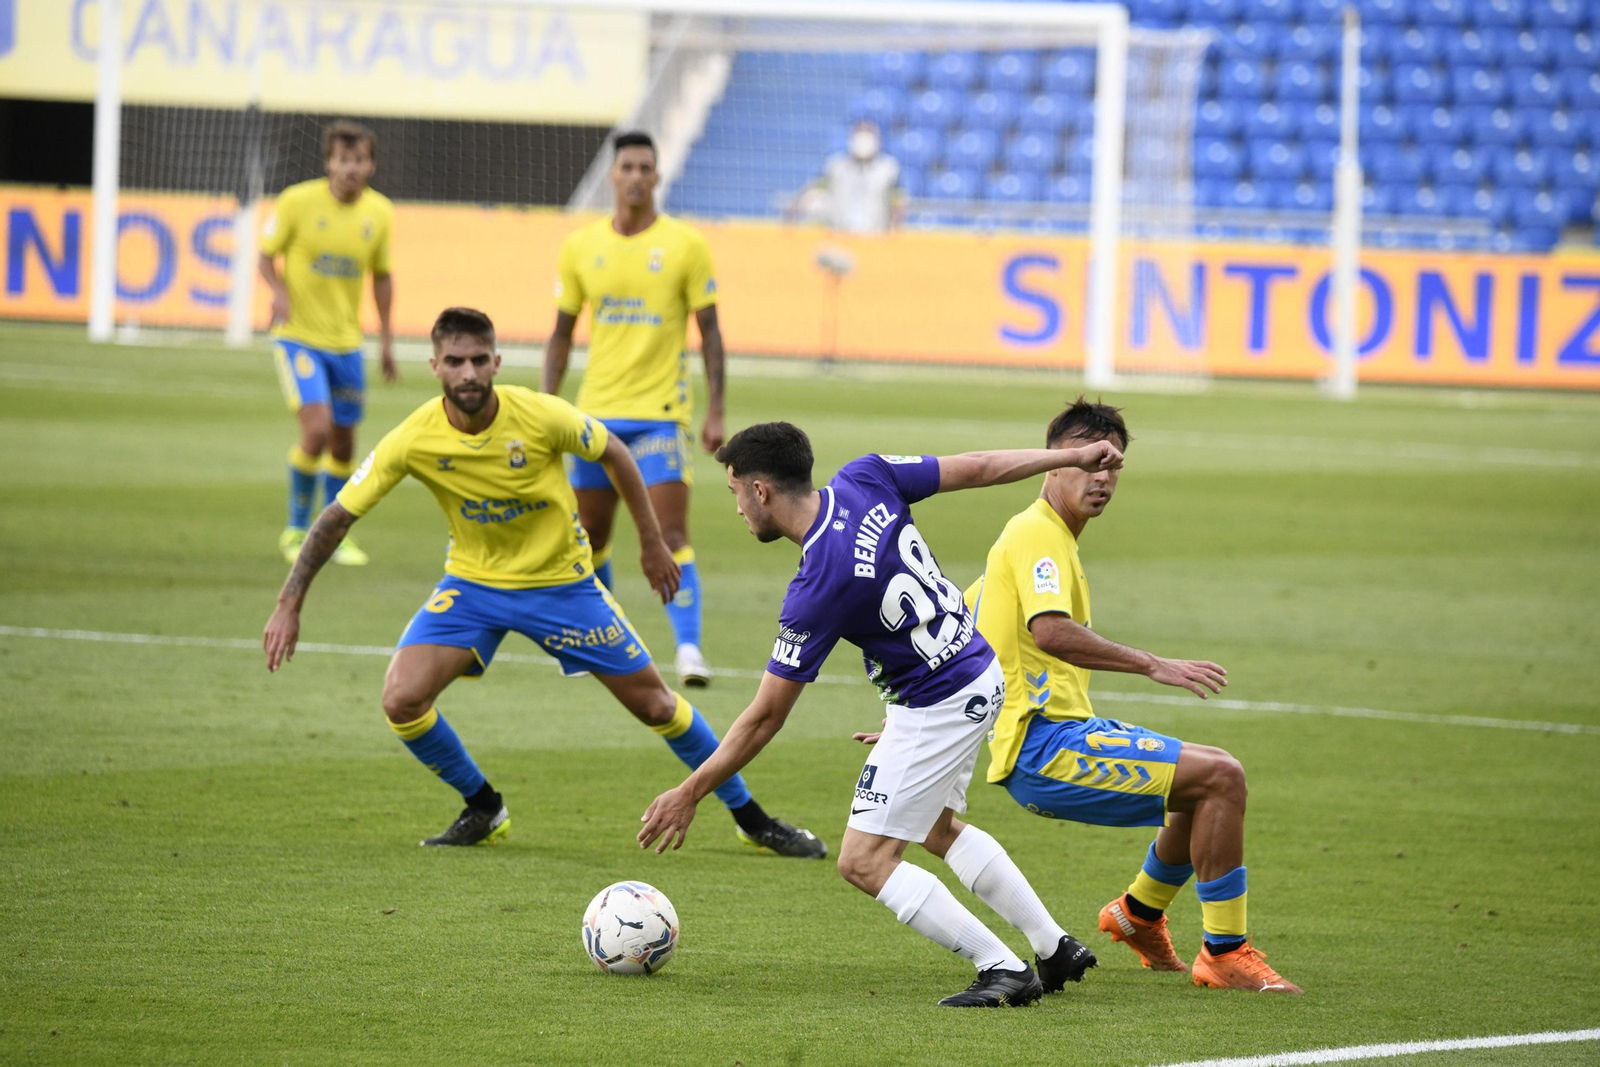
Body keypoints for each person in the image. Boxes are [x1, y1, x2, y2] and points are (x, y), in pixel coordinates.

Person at [263, 308, 824, 859]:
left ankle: (753, 819)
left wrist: (651, 543)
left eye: (480, 360)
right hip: (473, 588)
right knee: (401, 699)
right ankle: (483, 806)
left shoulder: (539, 415)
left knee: (657, 706)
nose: (468, 373)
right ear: (433, 365)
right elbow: (337, 516)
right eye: (454, 361)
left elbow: (614, 452)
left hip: (563, 587)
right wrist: (290, 602)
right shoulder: (412, 439)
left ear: (497, 362)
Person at [639, 423, 1123, 1007]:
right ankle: (1053, 947)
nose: (738, 507)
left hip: (938, 701)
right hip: (974, 669)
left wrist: (691, 791)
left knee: (864, 861)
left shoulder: (817, 585)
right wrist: (1071, 455)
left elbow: (766, 716)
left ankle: (1001, 967)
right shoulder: (865, 476)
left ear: (761, 491)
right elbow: (979, 465)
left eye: (736, 491)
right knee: (936, 828)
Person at [965, 398, 1302, 994]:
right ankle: (1225, 953)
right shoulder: (1037, 535)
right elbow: (1050, 631)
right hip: (1046, 749)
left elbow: (965, 620)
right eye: (1089, 462)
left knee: (1198, 791)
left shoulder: (1040, 538)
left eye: (1113, 465)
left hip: (1053, 740)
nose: (1102, 478)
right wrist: (1152, 664)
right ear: (1053, 463)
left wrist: (912, 719)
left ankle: (1137, 916)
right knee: (1224, 776)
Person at [544, 131, 721, 689]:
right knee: (590, 535)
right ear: (613, 176)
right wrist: (550, 408)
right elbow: (560, 335)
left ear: (658, 175)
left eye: (647, 166)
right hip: (594, 416)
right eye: (628, 167)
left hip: (660, 415)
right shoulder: (580, 247)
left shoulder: (687, 246)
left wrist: (716, 409)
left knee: (670, 533)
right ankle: (603, 639)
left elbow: (711, 332)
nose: (637, 176)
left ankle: (688, 648)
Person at [260, 119, 397, 568]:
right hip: (299, 338)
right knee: (316, 431)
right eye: (342, 159)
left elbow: (382, 276)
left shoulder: (379, 214)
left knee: (342, 445)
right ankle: (297, 529)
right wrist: (278, 291)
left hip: (347, 344)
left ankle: (332, 534)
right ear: (328, 162)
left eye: (358, 160)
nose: (350, 169)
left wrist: (387, 340)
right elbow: (265, 255)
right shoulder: (298, 202)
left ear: (371, 164)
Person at [818, 120, 901, 234]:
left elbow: (898, 203)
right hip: (839, 236)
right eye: (859, 134)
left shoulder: (889, 168)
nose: (863, 140)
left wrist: (892, 231)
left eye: (868, 134)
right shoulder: (835, 166)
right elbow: (815, 194)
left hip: (876, 237)